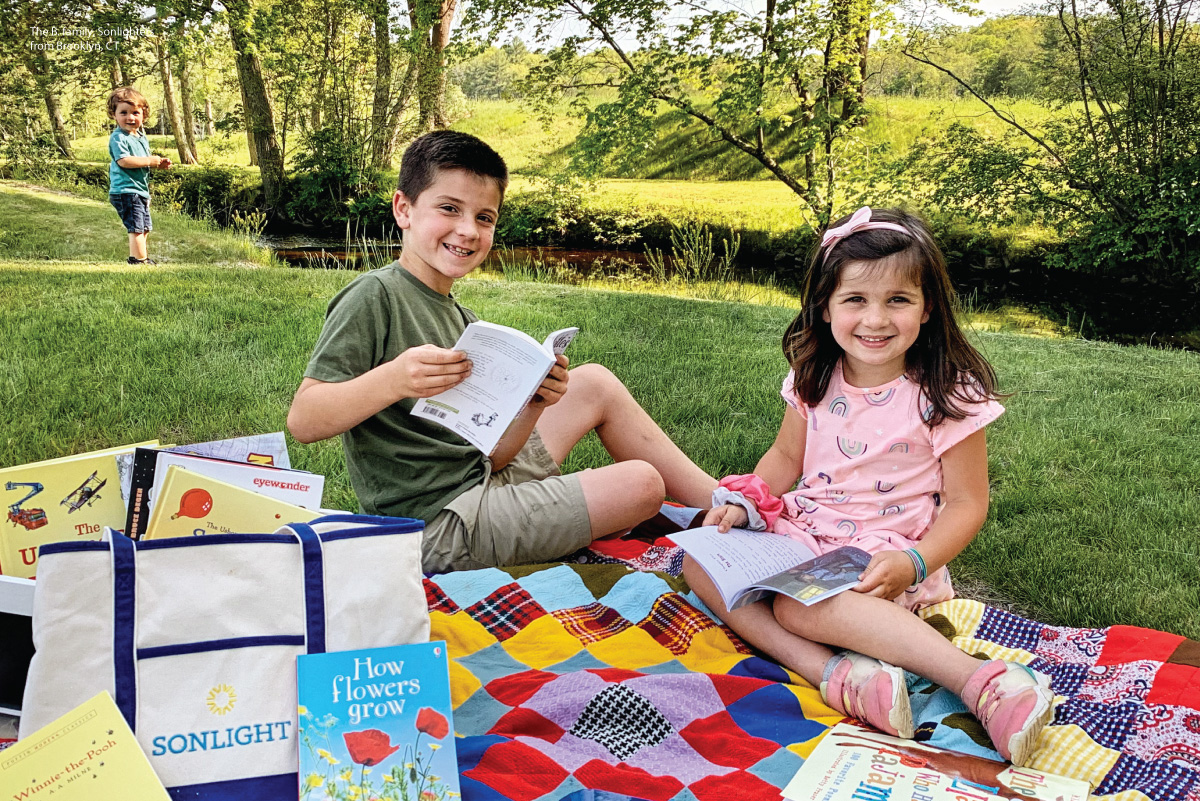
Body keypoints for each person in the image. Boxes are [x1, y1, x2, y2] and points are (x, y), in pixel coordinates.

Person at [684, 207, 1054, 767]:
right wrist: (746, 498)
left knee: (796, 608)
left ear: (927, 308)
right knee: (701, 561)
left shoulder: (945, 393)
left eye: (897, 300)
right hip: (806, 532)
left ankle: (985, 684)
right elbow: (787, 457)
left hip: (881, 552)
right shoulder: (815, 376)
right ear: (826, 307)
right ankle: (835, 674)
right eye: (855, 299)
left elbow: (967, 503)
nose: (875, 319)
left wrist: (916, 562)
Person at [287, 130, 716, 574]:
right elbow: (304, 420)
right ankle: (711, 513)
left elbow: (492, 456)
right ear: (404, 209)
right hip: (435, 528)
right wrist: (394, 379)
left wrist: (532, 404)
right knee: (642, 485)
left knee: (594, 383)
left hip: (481, 482)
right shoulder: (375, 296)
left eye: (485, 217)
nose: (468, 230)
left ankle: (724, 501)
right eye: (449, 208)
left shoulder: (466, 322)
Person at [107, 87, 170, 265]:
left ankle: (140, 258)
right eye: (124, 113)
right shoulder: (118, 138)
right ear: (114, 115)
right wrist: (150, 161)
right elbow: (124, 161)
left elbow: (142, 160)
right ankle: (139, 261)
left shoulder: (141, 137)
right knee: (136, 228)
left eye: (135, 112)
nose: (130, 117)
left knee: (144, 227)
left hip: (140, 190)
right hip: (125, 190)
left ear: (144, 115)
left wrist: (158, 163)